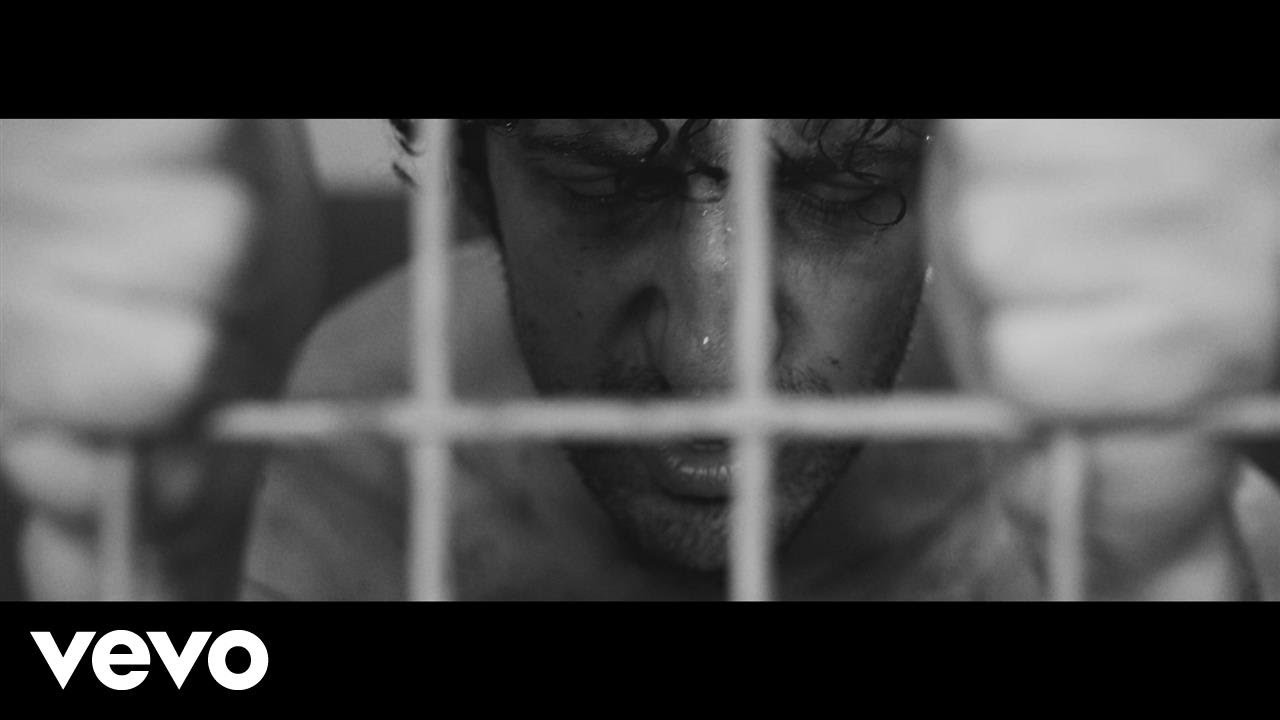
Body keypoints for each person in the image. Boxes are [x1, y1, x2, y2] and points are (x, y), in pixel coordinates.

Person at [2, 119, 1277, 601]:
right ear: (473, 179)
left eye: (842, 194)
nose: (714, 360)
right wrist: (147, 581)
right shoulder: (343, 463)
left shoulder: (1131, 445)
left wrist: (1156, 581)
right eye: (597, 184)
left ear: (955, 190)